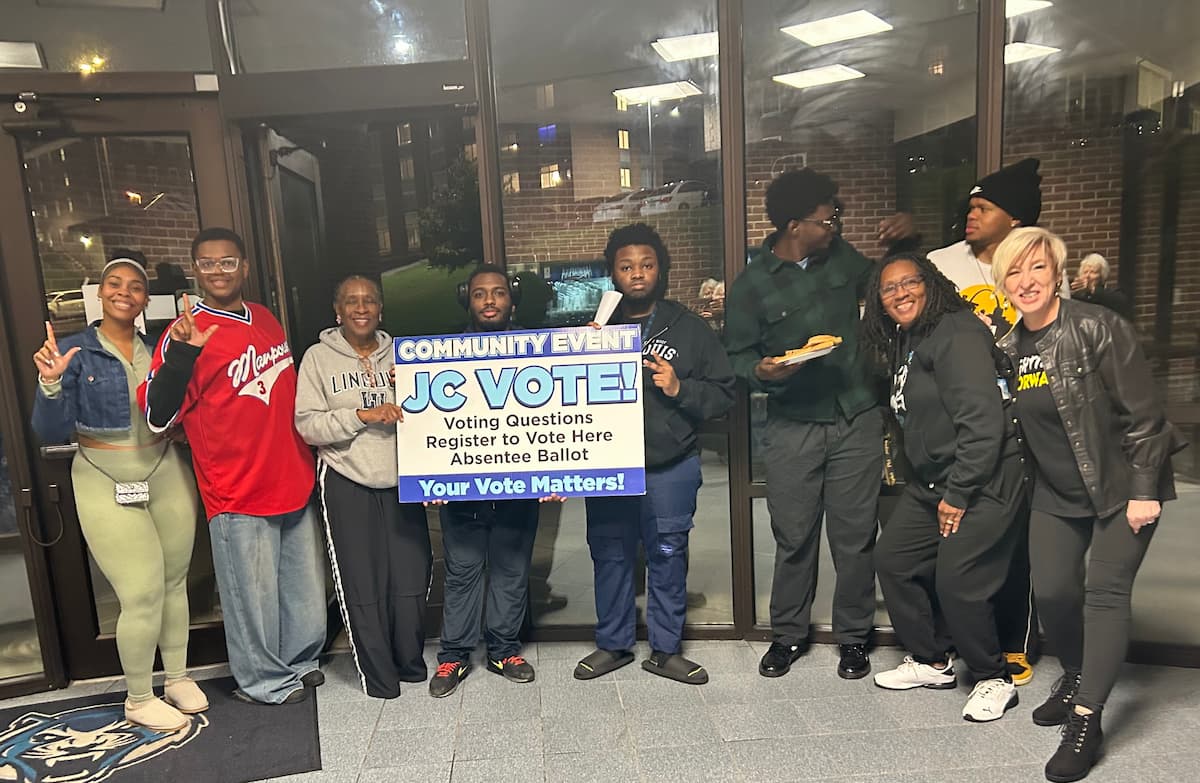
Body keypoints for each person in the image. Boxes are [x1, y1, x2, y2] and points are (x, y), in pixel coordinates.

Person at [994, 227, 1182, 782]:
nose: (1026, 282)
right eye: (1014, 272)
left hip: (1121, 488)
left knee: (1104, 595)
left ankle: (1086, 717)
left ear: (1057, 272)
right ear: (1003, 282)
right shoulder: (1008, 347)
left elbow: (1147, 418)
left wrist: (1145, 491)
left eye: (1037, 268)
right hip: (1055, 493)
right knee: (1052, 590)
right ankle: (1076, 673)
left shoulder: (1099, 327)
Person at [140, 227, 326, 706]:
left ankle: (300, 661)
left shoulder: (264, 317)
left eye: (227, 262)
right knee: (252, 598)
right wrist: (183, 354)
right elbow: (157, 416)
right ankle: (262, 681)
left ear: (244, 267)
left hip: (290, 475)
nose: (218, 271)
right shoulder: (182, 334)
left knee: (301, 590)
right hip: (237, 488)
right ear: (194, 271)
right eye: (207, 263)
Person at [32, 253, 206, 731]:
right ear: (100, 292)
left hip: (164, 466)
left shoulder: (162, 348)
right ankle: (138, 696)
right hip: (103, 475)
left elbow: (178, 406)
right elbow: (48, 430)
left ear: (145, 299)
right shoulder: (74, 351)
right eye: (115, 283)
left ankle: (176, 676)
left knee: (175, 579)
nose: (124, 292)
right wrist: (50, 383)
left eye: (134, 286)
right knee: (141, 590)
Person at [724, 168, 883, 680]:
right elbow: (737, 357)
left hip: (855, 415)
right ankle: (787, 635)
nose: (835, 224)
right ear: (796, 226)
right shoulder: (751, 286)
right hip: (792, 422)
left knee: (854, 537)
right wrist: (761, 371)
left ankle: (854, 637)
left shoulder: (845, 258)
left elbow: (891, 286)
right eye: (827, 217)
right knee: (794, 536)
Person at [861, 253, 1027, 722]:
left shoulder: (956, 333)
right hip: (934, 482)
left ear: (931, 284)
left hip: (985, 477)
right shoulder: (910, 337)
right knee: (894, 559)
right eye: (889, 289)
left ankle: (995, 676)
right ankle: (932, 661)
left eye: (910, 282)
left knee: (960, 582)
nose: (900, 293)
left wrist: (957, 494)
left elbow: (981, 422)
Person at [573, 224, 735, 685]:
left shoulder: (689, 328)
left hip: (670, 466)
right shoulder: (596, 328)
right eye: (626, 267)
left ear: (660, 269)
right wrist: (582, 353)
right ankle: (614, 644)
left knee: (668, 553)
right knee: (610, 554)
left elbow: (724, 392)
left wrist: (679, 387)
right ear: (613, 273)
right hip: (608, 466)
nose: (637, 274)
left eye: (646, 265)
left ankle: (666, 650)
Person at [925, 158, 1053, 686]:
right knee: (954, 538)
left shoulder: (1035, 260)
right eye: (970, 206)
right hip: (958, 418)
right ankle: (958, 637)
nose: (970, 215)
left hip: (1022, 417)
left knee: (1013, 539)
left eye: (983, 208)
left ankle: (1015, 641)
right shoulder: (941, 262)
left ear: (1015, 218)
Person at [294, 275, 431, 699]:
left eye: (369, 300)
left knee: (411, 574)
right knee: (361, 581)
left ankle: (408, 661)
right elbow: (307, 424)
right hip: (346, 477)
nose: (360, 307)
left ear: (380, 309)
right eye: (351, 301)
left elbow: (435, 411)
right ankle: (378, 674)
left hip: (402, 481)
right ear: (337, 311)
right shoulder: (318, 358)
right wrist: (361, 415)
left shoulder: (405, 355)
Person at [426, 265, 547, 698]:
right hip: (463, 489)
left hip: (519, 486)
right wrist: (429, 474)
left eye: (498, 293)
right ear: (468, 300)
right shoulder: (441, 354)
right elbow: (431, 420)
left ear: (511, 300)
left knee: (512, 571)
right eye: (480, 294)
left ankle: (503, 650)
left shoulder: (538, 349)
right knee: (462, 573)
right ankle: (454, 656)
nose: (490, 301)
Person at [1070, 253, 1132, 320]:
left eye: (1093, 272)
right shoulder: (1077, 296)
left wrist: (1092, 289)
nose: (1087, 276)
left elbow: (1122, 302)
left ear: (1102, 275)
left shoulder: (1111, 294)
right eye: (1085, 272)